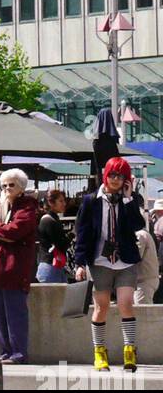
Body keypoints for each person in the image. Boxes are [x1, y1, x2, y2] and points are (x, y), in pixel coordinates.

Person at [74, 156, 146, 372]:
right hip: (99, 260)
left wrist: (128, 199)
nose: (115, 179)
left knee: (126, 304)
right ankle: (99, 351)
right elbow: (82, 233)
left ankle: (129, 350)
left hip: (125, 260)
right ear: (105, 175)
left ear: (126, 179)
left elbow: (138, 225)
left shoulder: (130, 200)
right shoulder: (90, 201)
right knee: (101, 306)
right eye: (112, 175)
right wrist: (79, 263)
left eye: (120, 176)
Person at [0, 169, 38, 365]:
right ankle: (6, 351)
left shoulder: (28, 206)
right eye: (4, 185)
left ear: (21, 187)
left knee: (15, 312)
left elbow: (17, 230)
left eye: (11, 185)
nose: (6, 188)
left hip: (15, 266)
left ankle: (18, 353)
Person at [35, 188, 69, 284]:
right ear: (51, 203)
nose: (64, 204)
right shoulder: (48, 221)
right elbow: (61, 244)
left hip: (55, 266)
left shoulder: (52, 219)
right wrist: (72, 235)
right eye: (61, 201)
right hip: (50, 266)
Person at [134, 222, 160, 307]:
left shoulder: (139, 235)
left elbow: (134, 258)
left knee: (143, 314)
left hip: (144, 281)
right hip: (144, 280)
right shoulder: (142, 233)